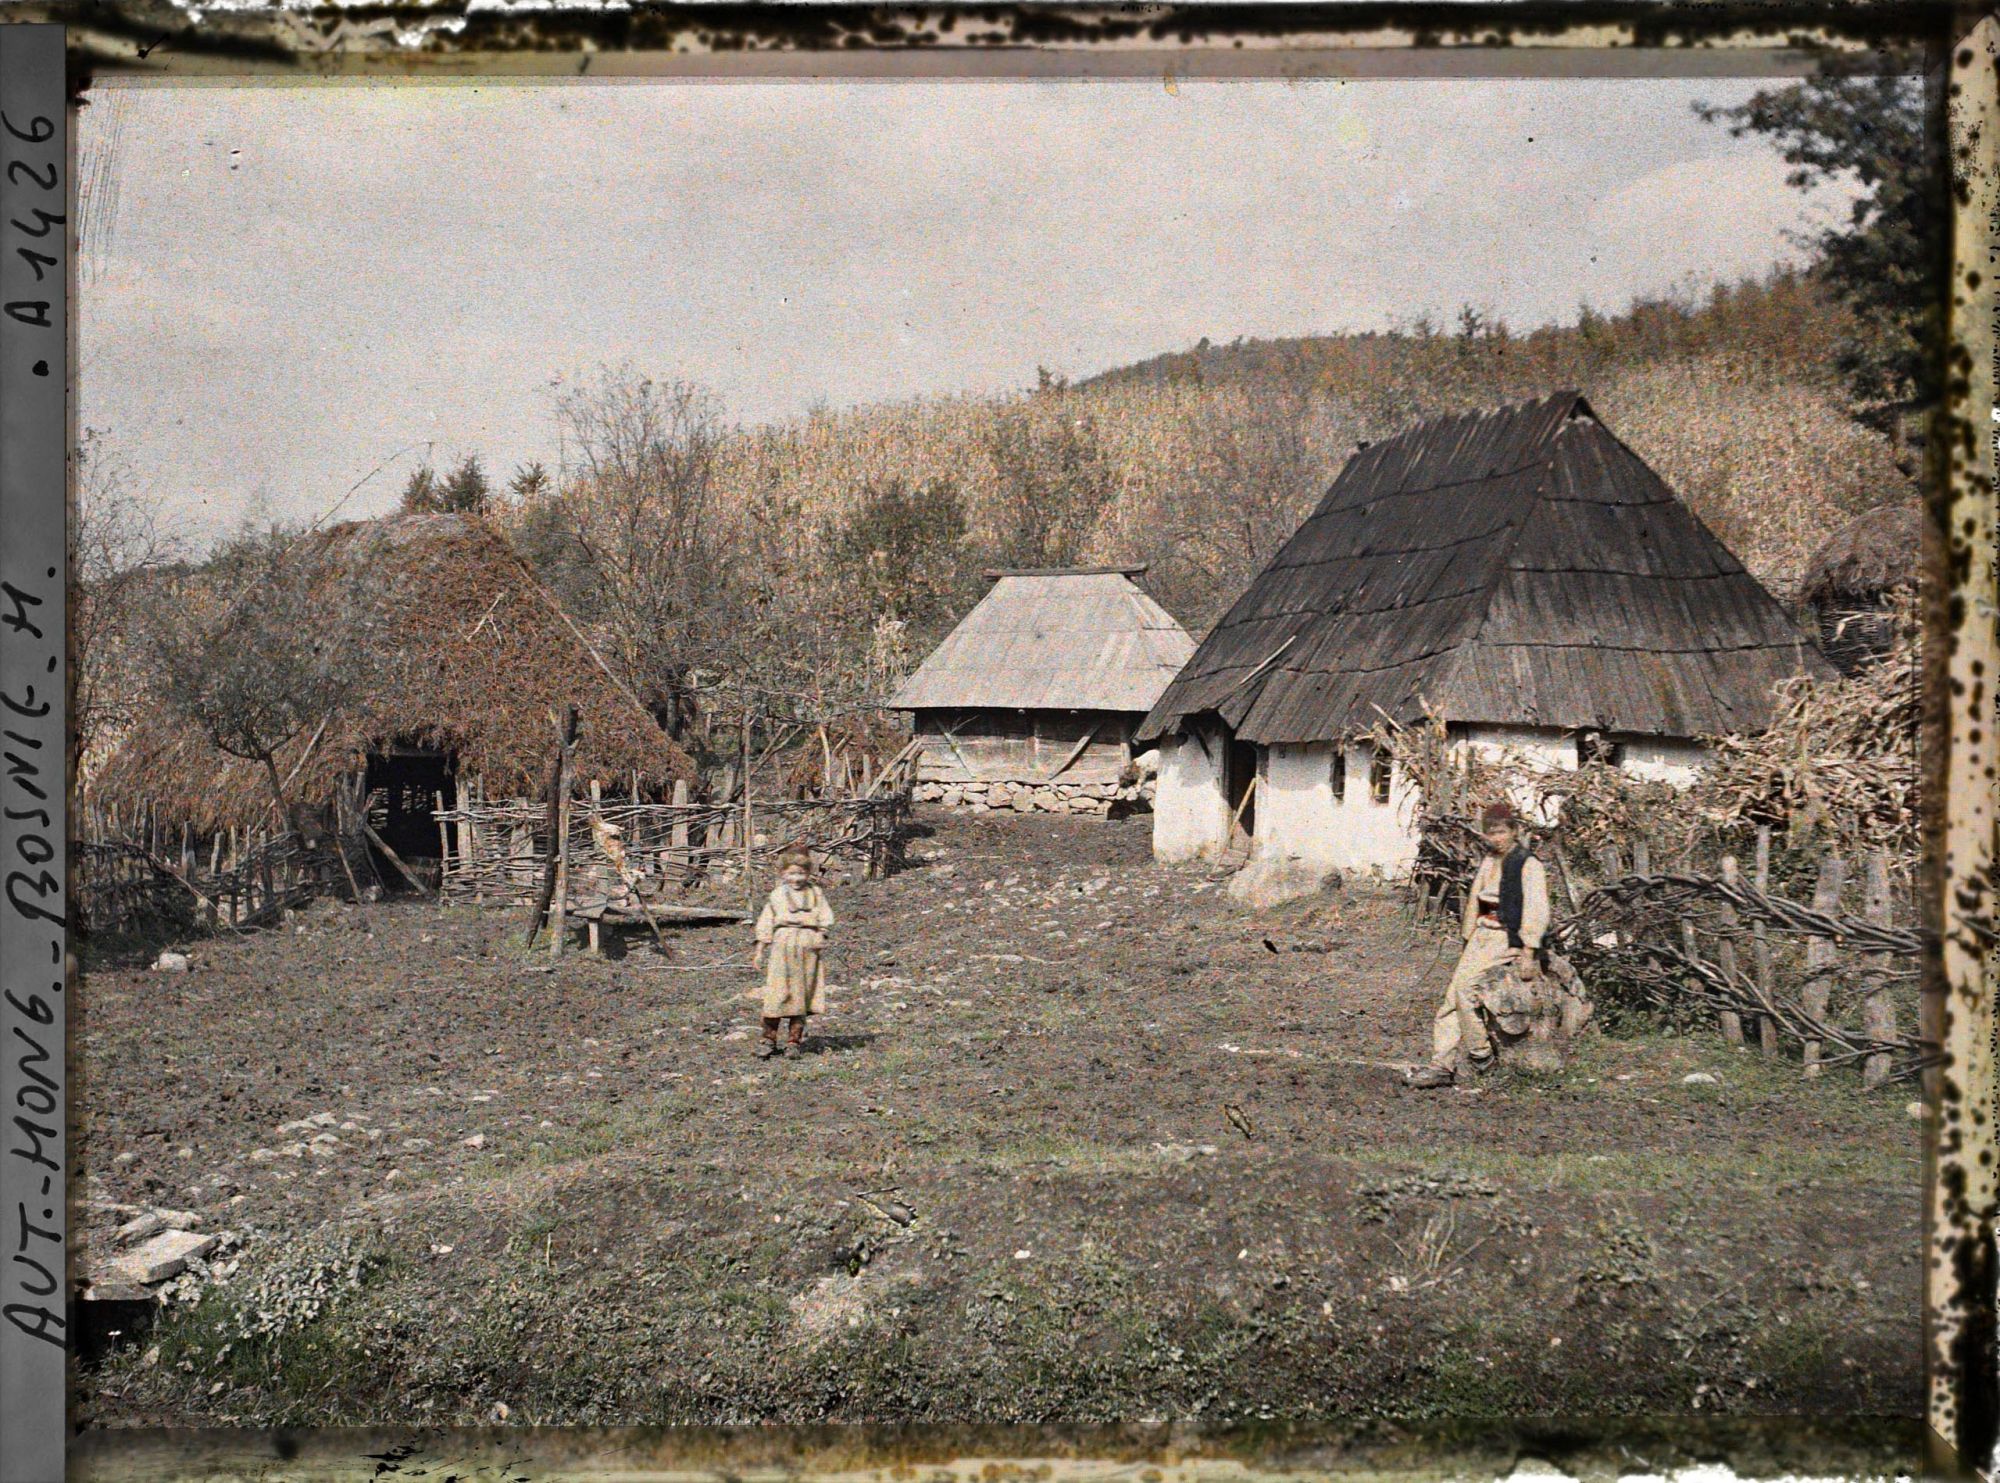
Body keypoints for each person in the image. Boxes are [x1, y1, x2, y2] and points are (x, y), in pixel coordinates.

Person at [1406, 800, 1550, 1090]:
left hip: (1505, 937)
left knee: (1465, 992)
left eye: (1500, 832)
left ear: (1513, 831)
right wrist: (1468, 935)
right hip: (1482, 937)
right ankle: (1441, 1064)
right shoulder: (1488, 861)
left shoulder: (1527, 864)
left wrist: (1529, 950)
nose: (1495, 838)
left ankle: (1481, 1055)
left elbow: (1537, 909)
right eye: (1490, 833)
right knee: (1451, 998)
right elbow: (1475, 900)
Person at [752, 846, 835, 1059]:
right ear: (783, 874)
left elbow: (825, 918)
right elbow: (765, 923)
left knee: (802, 993)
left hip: (808, 947)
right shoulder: (777, 895)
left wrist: (821, 935)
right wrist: (760, 951)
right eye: (792, 873)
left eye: (801, 873)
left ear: (808, 873)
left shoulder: (816, 893)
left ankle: (793, 1042)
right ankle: (768, 1039)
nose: (797, 878)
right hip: (783, 945)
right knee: (777, 993)